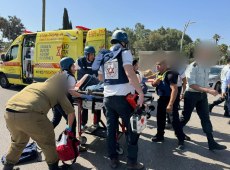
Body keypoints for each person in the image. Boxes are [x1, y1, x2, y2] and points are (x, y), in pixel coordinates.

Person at [3, 72, 75, 170]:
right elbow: (71, 113)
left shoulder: (35, 85)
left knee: (18, 142)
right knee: (48, 141)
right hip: (31, 114)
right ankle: (54, 167)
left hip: (9, 112)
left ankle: (7, 167)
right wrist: (69, 128)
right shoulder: (58, 90)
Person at [95, 30, 145, 169]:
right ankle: (132, 162)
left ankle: (113, 160)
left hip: (108, 99)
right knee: (133, 129)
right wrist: (140, 93)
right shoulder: (124, 52)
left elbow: (100, 78)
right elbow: (130, 74)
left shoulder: (104, 55)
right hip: (123, 99)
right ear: (123, 42)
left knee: (111, 131)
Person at [180, 43, 227, 150]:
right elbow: (191, 84)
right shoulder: (193, 66)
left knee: (206, 118)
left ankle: (211, 142)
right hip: (191, 95)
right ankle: (179, 136)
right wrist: (207, 90)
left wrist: (208, 90)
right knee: (185, 117)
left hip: (202, 96)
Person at [151, 58, 186, 150]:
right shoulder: (159, 74)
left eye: (159, 65)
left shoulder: (171, 74)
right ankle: (160, 135)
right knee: (160, 118)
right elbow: (154, 85)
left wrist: (170, 104)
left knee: (174, 120)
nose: (157, 67)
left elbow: (175, 89)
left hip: (171, 99)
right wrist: (155, 82)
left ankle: (181, 140)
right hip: (162, 98)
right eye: (156, 65)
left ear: (165, 65)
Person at [76, 46, 102, 129]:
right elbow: (73, 69)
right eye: (91, 54)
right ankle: (83, 123)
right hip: (83, 87)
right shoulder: (79, 61)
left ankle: (96, 122)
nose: (93, 56)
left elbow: (99, 76)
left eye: (93, 54)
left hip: (93, 86)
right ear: (86, 54)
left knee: (98, 103)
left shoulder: (96, 62)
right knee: (84, 106)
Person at [51, 57, 78, 136]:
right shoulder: (70, 77)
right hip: (64, 102)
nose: (75, 69)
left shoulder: (59, 74)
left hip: (55, 101)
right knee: (72, 123)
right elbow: (73, 93)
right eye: (73, 66)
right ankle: (72, 143)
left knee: (56, 120)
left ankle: (43, 134)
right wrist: (84, 95)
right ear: (67, 66)